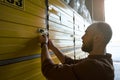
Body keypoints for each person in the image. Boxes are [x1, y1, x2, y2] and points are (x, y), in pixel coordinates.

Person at [39, 22, 114, 80]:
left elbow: (49, 71)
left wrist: (44, 44)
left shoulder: (95, 67)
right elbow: (71, 62)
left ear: (97, 38)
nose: (82, 37)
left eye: (86, 33)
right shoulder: (103, 60)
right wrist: (53, 48)